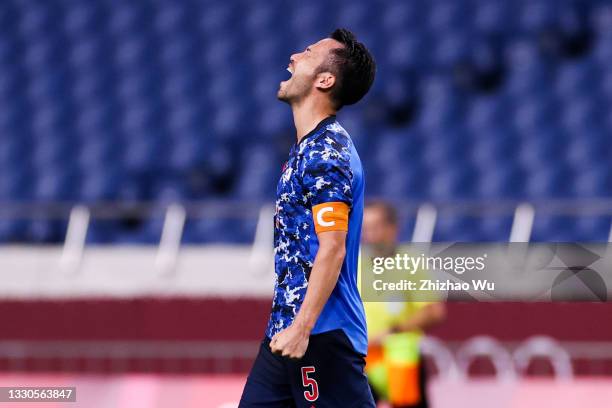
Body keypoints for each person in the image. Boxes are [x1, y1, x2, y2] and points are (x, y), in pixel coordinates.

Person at [239, 28, 376, 407]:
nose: (294, 57)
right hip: (285, 332)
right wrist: (291, 328)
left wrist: (303, 328)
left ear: (325, 79)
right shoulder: (306, 149)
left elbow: (332, 249)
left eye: (308, 53)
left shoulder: (326, 152)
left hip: (320, 334)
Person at [361, 201, 446, 408]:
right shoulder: (357, 265)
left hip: (401, 359)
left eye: (375, 227)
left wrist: (393, 331)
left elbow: (434, 311)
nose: (370, 235)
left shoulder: (411, 263)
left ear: (392, 228)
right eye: (365, 228)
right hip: (364, 359)